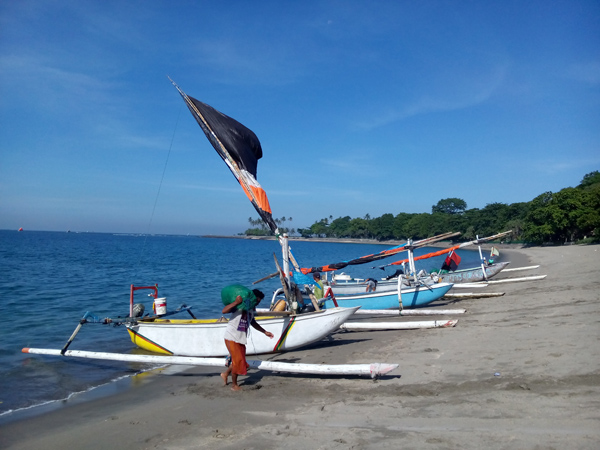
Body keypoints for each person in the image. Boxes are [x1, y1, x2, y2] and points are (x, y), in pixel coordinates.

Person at [221, 288, 273, 391]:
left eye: (259, 302)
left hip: (240, 338)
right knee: (237, 361)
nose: (257, 303)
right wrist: (236, 302)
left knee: (240, 360)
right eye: (257, 301)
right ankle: (234, 385)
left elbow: (252, 322)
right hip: (232, 336)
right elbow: (224, 310)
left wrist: (264, 332)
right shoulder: (240, 306)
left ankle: (225, 374)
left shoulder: (251, 309)